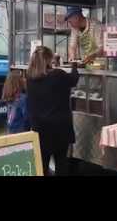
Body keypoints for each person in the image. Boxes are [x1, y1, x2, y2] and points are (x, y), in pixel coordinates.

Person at [27, 46, 79, 176]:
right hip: (59, 128)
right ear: (48, 60)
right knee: (61, 163)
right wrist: (74, 64)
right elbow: (74, 79)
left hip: (39, 128)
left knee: (42, 164)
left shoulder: (30, 78)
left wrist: (53, 62)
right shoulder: (57, 75)